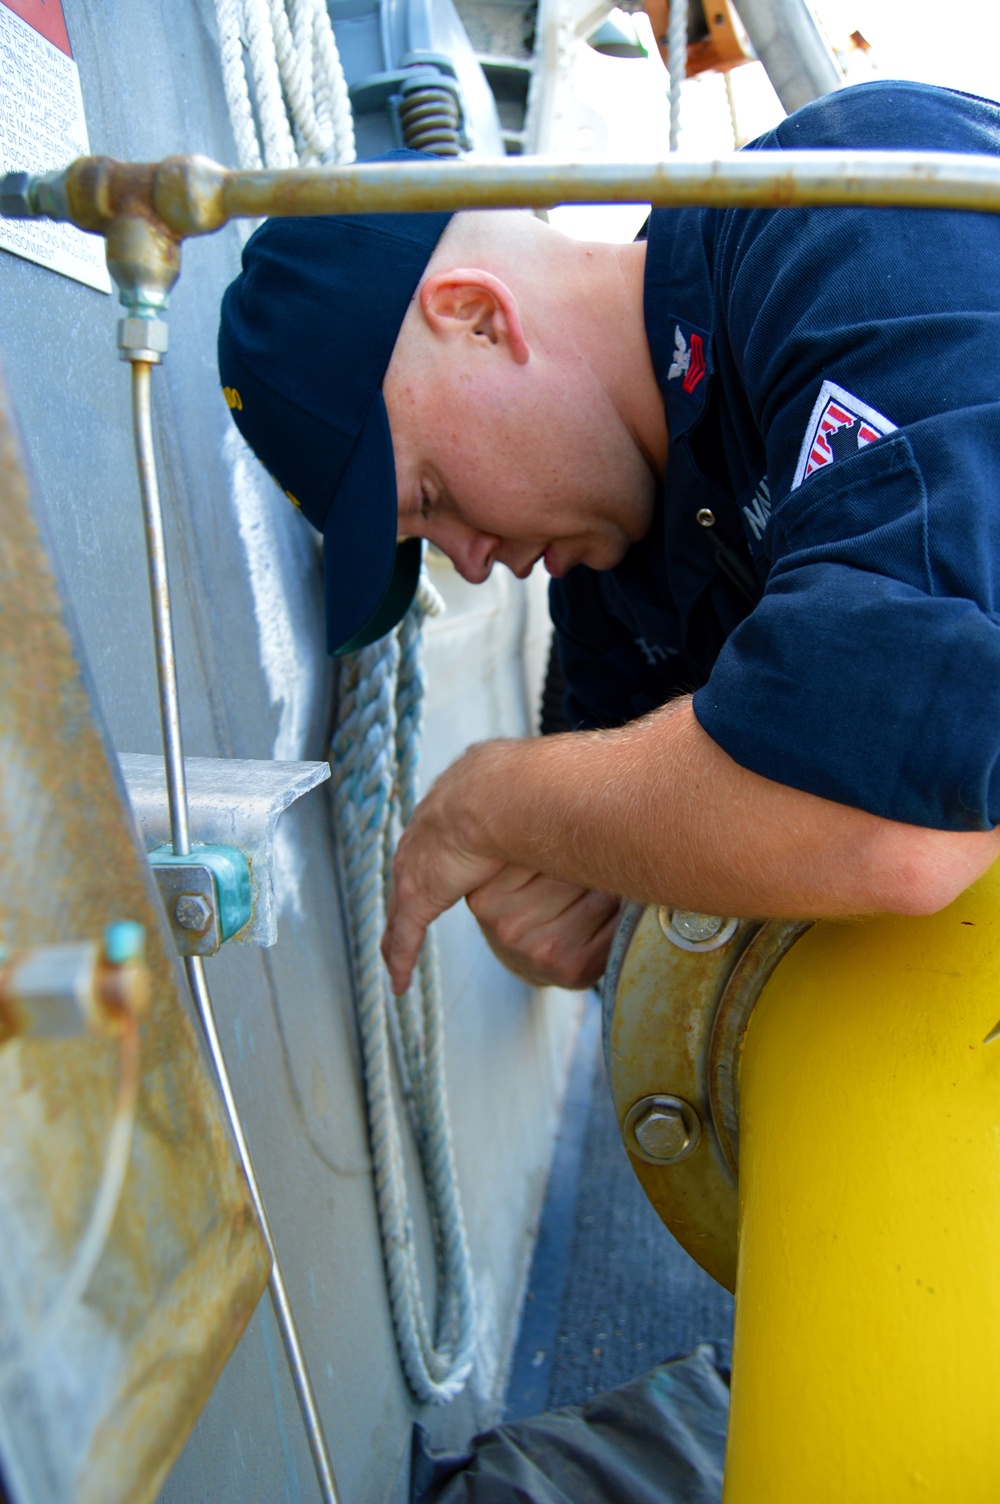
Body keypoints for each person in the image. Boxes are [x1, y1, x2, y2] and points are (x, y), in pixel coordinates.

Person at [218, 78, 1000, 999]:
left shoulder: (845, 201)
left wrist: (491, 802)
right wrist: (554, 915)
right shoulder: (604, 602)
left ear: (477, 315)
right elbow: (603, 855)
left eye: (428, 496)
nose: (474, 561)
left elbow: (890, 818)